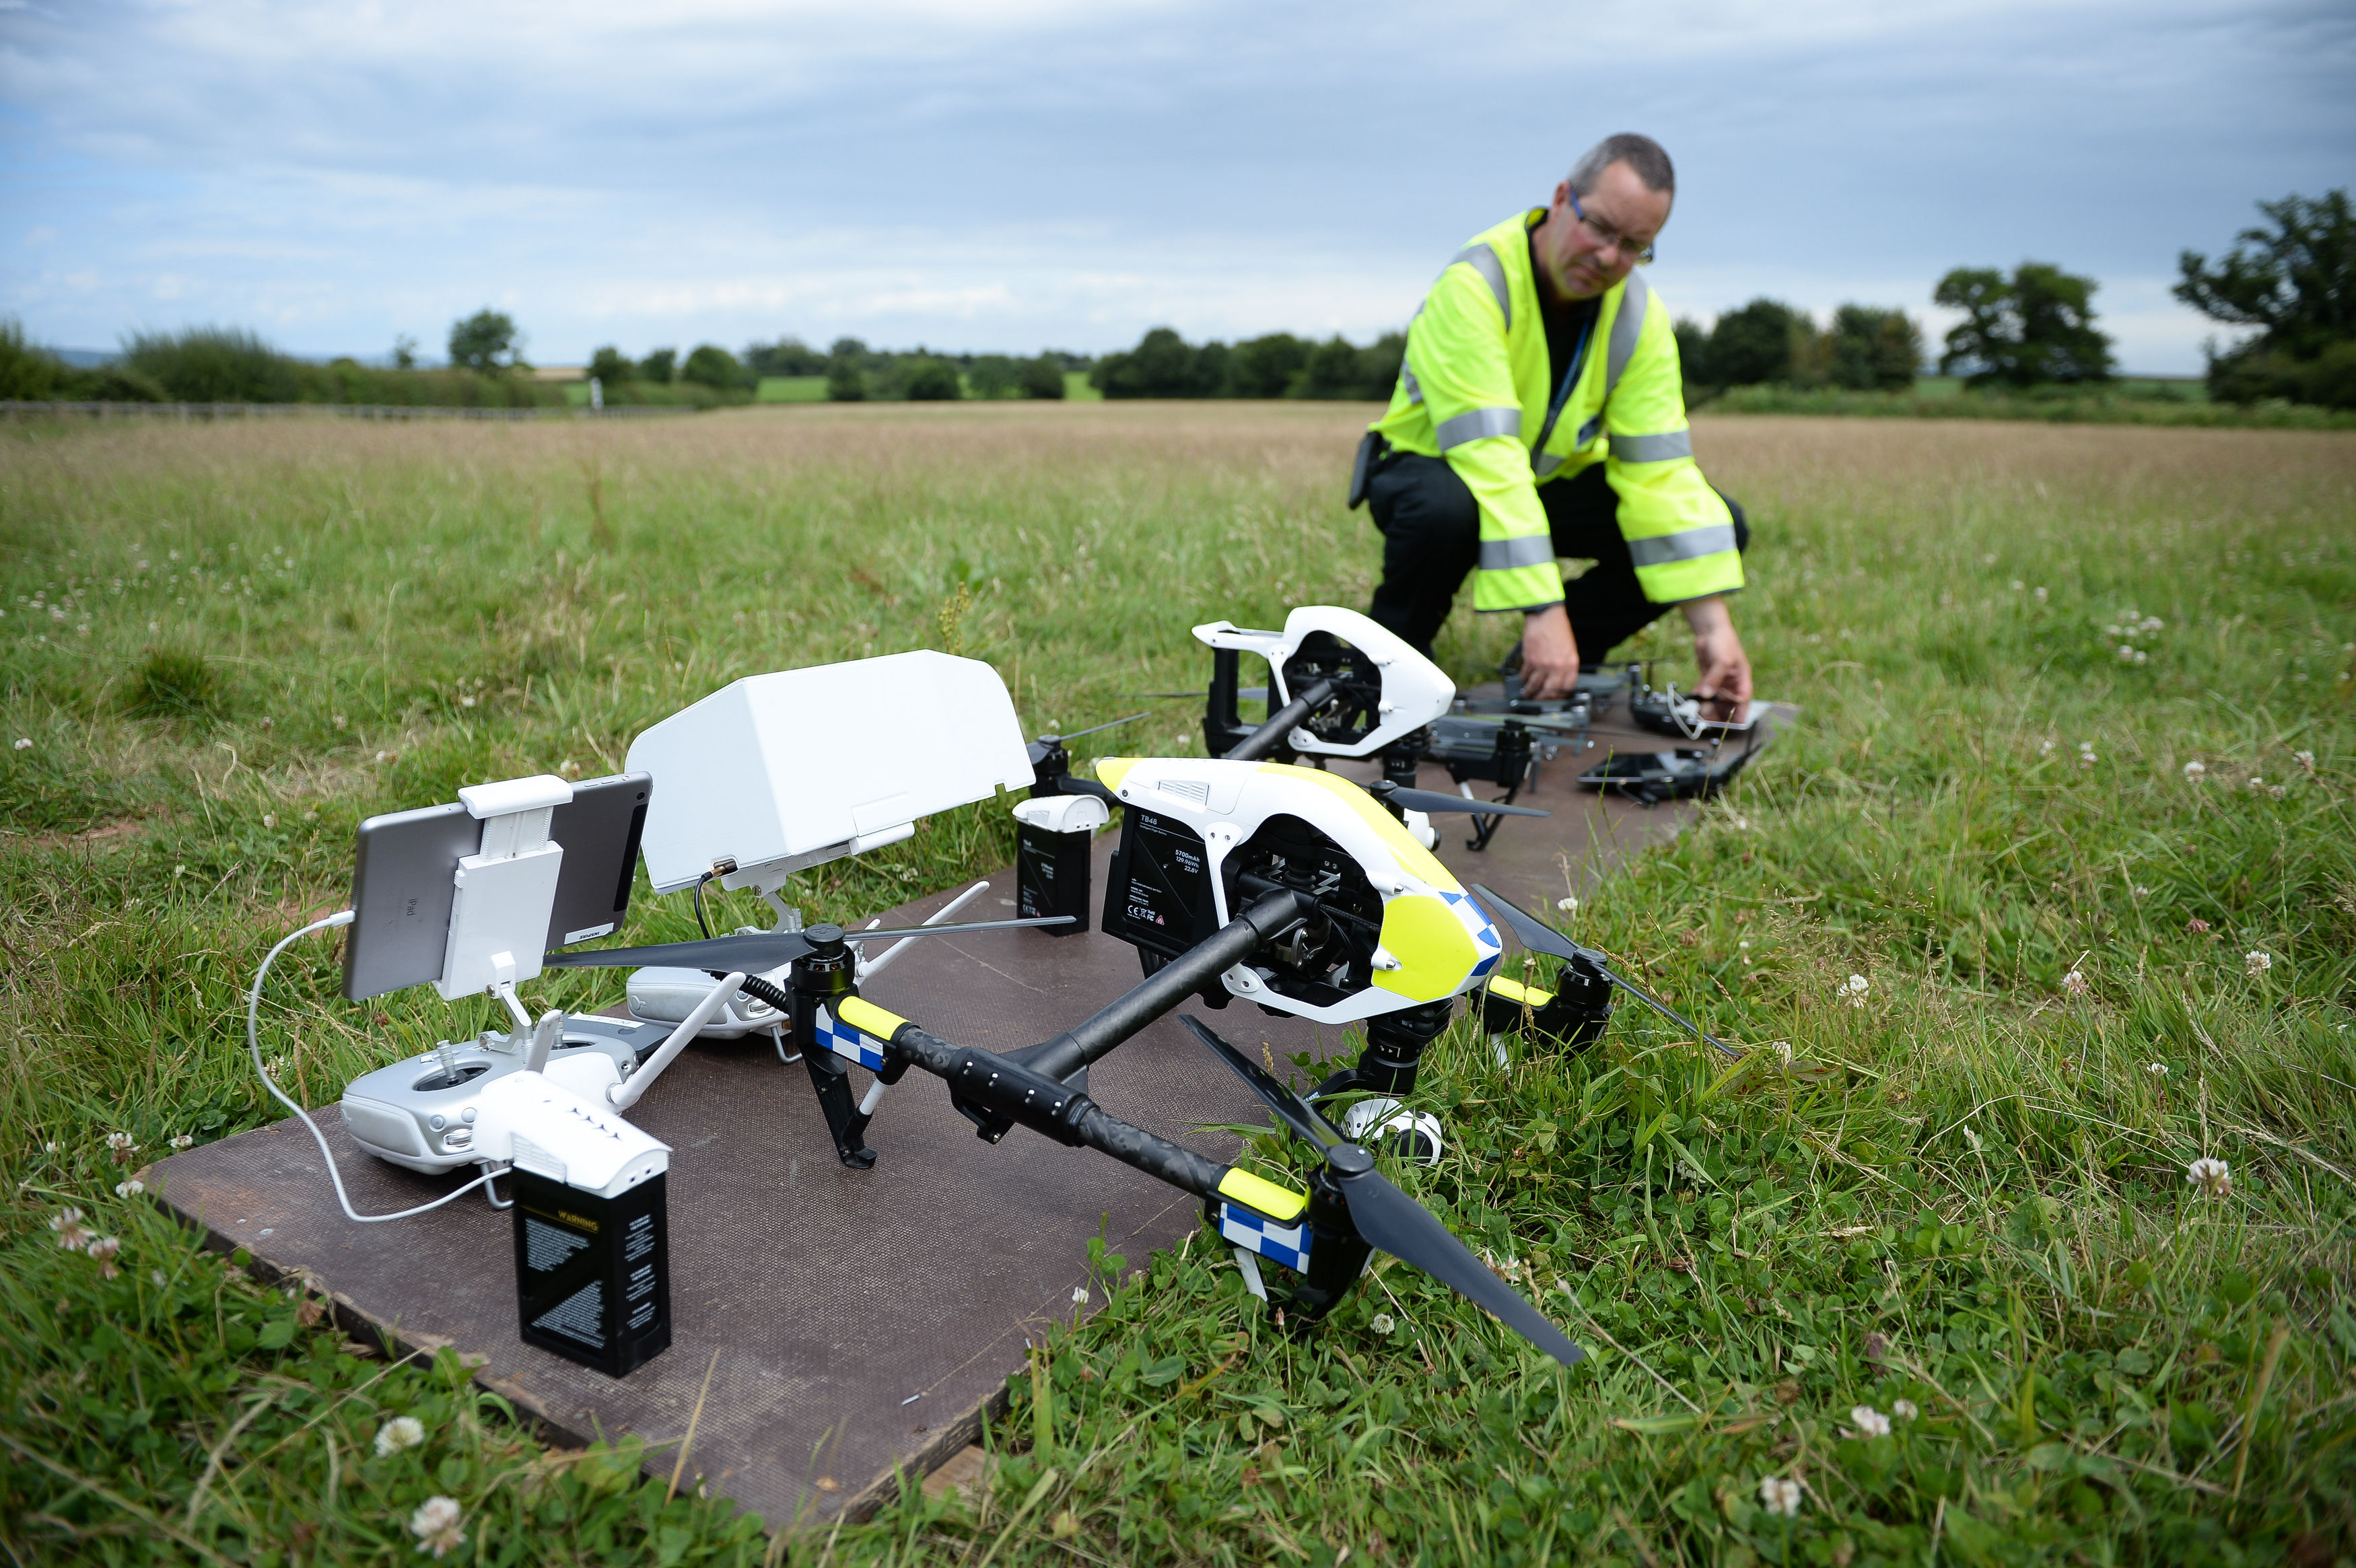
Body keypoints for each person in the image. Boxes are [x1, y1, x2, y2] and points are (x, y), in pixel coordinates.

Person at [1354, 133, 1753, 715]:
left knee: (1722, 522)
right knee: (1447, 511)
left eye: (1636, 247)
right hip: (1432, 468)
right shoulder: (1475, 286)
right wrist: (1543, 608)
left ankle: (1555, 663)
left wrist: (1712, 625)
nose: (1610, 258)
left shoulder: (1640, 318)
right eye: (1601, 229)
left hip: (1540, 483)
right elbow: (1488, 456)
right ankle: (1385, 669)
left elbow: (1661, 474)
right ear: (1563, 198)